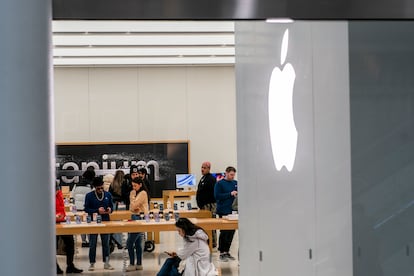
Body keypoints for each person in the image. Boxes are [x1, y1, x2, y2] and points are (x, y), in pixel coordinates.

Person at [84, 177, 114, 271]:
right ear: (94, 187)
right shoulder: (89, 195)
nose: (100, 190)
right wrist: (97, 210)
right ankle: (92, 263)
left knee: (106, 243)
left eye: (102, 188)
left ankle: (107, 262)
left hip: (105, 221)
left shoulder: (108, 194)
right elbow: (86, 209)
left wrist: (109, 210)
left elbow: (112, 207)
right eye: (98, 188)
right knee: (93, 243)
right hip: (93, 222)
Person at [55, 185, 83, 274]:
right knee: (53, 246)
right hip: (52, 223)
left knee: (70, 243)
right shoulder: (46, 195)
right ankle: (55, 266)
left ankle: (70, 265)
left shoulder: (59, 194)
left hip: (62, 221)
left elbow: (61, 208)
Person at [214, 166, 238, 262]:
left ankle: (227, 251)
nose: (232, 176)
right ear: (226, 173)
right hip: (223, 211)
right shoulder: (219, 184)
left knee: (231, 232)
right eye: (231, 174)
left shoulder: (235, 183)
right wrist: (230, 194)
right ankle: (222, 252)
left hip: (233, 211)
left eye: (234, 175)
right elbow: (217, 196)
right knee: (224, 232)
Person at [126, 177, 150, 271]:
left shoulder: (142, 193)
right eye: (132, 186)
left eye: (135, 186)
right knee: (137, 242)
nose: (133, 188)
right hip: (135, 216)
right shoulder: (138, 193)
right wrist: (133, 205)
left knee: (129, 242)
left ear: (140, 185)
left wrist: (132, 196)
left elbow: (133, 206)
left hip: (139, 218)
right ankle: (139, 263)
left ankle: (132, 263)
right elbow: (131, 208)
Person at [195, 161, 217, 247]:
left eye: (204, 168)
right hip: (203, 206)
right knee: (204, 225)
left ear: (209, 168)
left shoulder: (211, 179)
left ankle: (213, 242)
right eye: (202, 167)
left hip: (209, 206)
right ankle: (206, 241)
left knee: (210, 224)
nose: (202, 169)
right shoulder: (203, 178)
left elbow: (211, 193)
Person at [71, 169, 94, 247]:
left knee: (81, 225)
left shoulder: (76, 185)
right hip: (88, 209)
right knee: (89, 224)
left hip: (77, 208)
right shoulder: (91, 186)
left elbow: (72, 196)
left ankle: (84, 241)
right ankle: (90, 241)